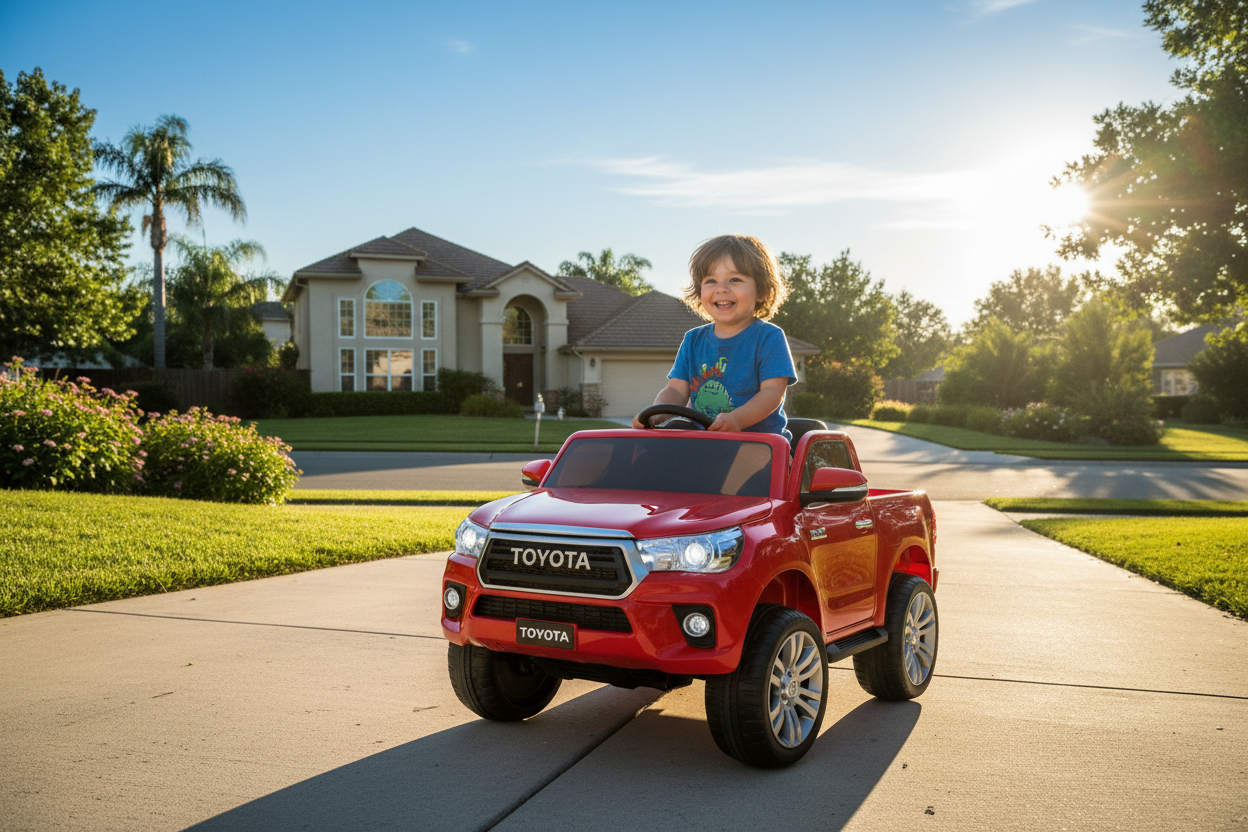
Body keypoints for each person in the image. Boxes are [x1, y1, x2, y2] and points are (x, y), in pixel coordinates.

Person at [632, 234, 797, 441]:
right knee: (656, 450)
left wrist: (737, 419)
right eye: (711, 281)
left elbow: (773, 392)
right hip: (706, 444)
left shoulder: (768, 338)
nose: (721, 288)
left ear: (762, 291)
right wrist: (655, 413)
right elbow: (676, 390)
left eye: (735, 279)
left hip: (759, 445)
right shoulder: (693, 340)